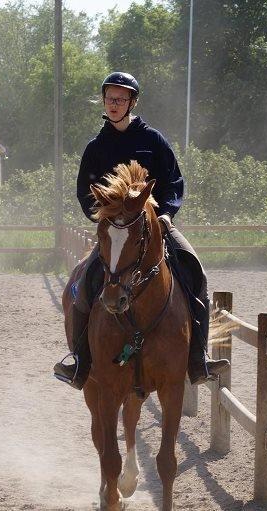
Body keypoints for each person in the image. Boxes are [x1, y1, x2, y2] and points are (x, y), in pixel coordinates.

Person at [53, 71, 229, 390]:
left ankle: (198, 358)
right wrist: (105, 223)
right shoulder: (96, 147)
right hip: (116, 233)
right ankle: (79, 361)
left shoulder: (153, 141)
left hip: (157, 226)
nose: (114, 104)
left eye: (120, 99)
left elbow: (174, 181)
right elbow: (84, 190)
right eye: (109, 99)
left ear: (132, 102)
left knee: (194, 268)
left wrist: (167, 214)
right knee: (82, 282)